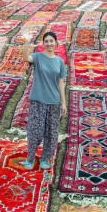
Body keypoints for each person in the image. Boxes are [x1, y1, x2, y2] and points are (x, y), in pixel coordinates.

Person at [22, 31, 67, 170]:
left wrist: (63, 102)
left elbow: (61, 83)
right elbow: (25, 58)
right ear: (43, 44)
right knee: (35, 130)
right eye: (46, 41)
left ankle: (45, 158)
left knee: (51, 132)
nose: (49, 43)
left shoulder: (60, 62)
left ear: (56, 43)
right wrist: (27, 42)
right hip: (38, 100)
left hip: (54, 101)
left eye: (51, 41)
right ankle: (30, 158)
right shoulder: (38, 57)